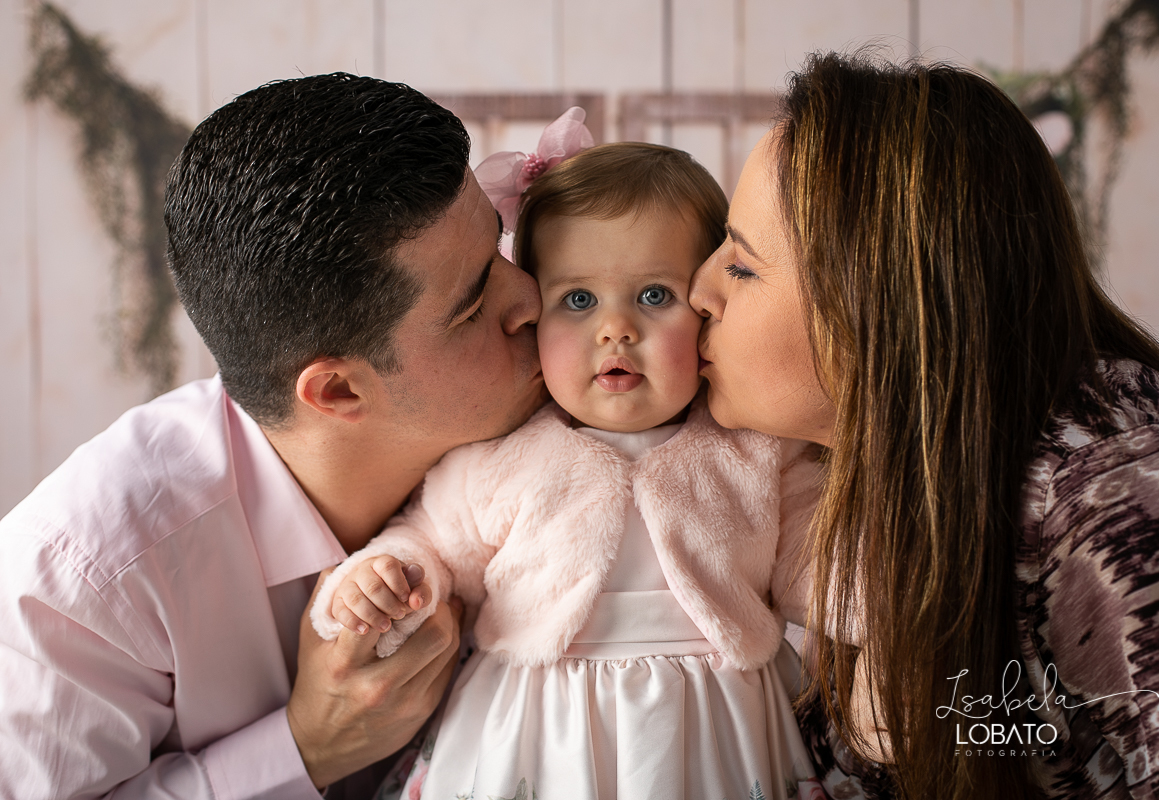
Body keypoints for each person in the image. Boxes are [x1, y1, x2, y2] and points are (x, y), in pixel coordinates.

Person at [0, 73, 546, 798]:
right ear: (338, 391)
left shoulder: (563, 425)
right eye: (473, 306)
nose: (531, 296)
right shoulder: (84, 579)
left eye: (500, 247)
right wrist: (306, 750)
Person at [688, 52, 1159, 800]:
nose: (697, 291)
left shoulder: (1121, 501)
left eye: (741, 266)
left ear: (879, 299)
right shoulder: (867, 475)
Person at [310, 134, 830, 800]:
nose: (616, 329)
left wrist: (887, 611)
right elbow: (435, 544)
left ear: (705, 306)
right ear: (534, 315)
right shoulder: (498, 454)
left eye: (654, 295)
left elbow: (823, 562)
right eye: (579, 301)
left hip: (716, 727)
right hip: (534, 729)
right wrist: (385, 577)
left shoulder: (758, 451)